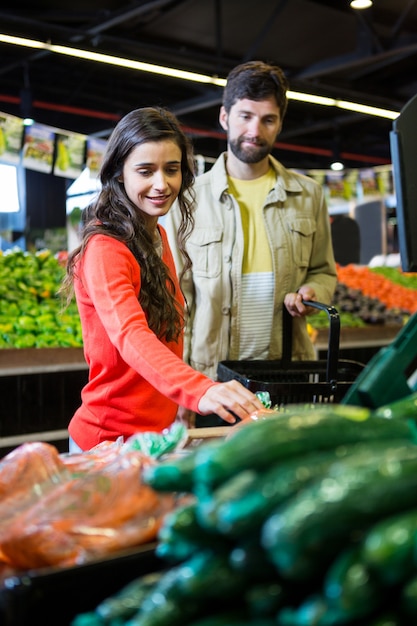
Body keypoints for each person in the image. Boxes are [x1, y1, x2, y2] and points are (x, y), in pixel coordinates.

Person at [60, 106, 263, 452]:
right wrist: (200, 389)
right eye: (145, 171)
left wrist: (178, 405)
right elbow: (131, 335)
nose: (162, 184)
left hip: (155, 436)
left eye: (172, 170)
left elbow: (168, 334)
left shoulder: (157, 237)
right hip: (109, 441)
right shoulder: (106, 248)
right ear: (120, 173)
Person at [164, 61, 337, 422]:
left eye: (267, 119)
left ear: (280, 124)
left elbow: (323, 271)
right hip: (213, 383)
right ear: (225, 117)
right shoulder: (188, 199)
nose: (254, 130)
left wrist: (313, 292)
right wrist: (180, 390)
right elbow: (175, 304)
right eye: (245, 116)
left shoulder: (309, 195)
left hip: (287, 379)